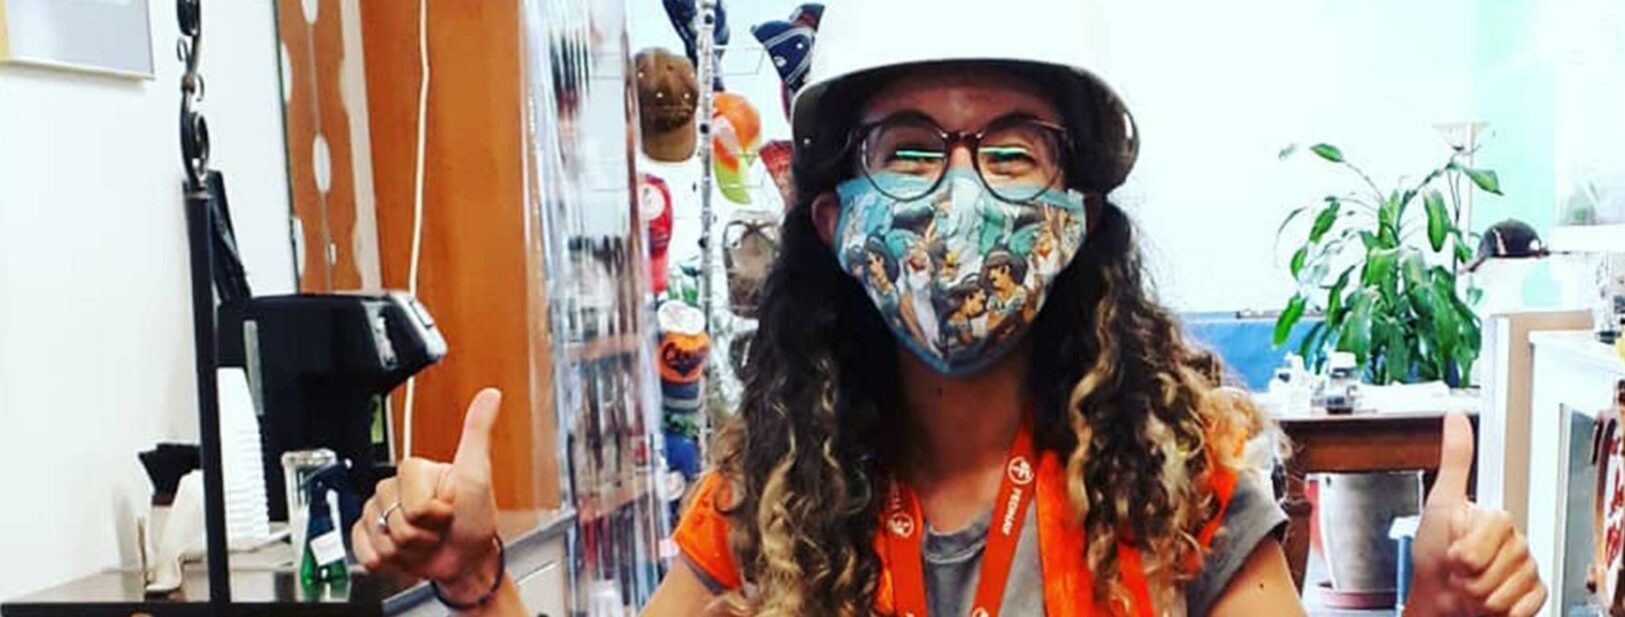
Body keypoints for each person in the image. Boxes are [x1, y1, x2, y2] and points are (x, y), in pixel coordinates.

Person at [351, 1, 1547, 615]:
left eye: (1014, 151)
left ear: (1075, 210)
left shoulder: (1182, 473)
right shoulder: (771, 492)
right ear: (835, 214)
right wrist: (479, 581)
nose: (963, 193)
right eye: (912, 149)